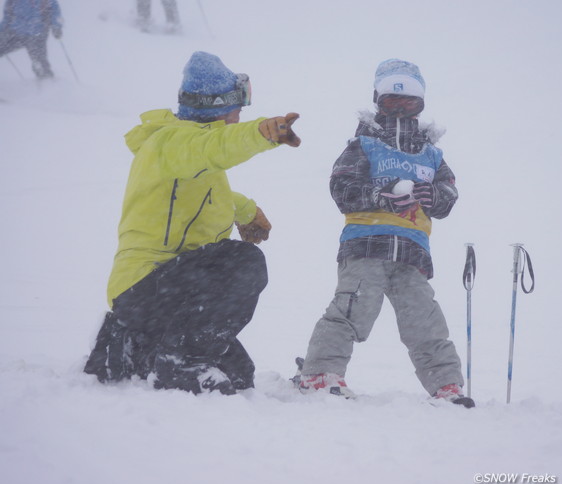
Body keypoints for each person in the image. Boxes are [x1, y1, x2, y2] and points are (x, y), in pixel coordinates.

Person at [84, 51, 301, 395]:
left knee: (240, 374)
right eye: (239, 103)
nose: (241, 111)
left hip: (168, 293)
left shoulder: (189, 156)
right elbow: (213, 148)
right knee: (243, 261)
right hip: (146, 283)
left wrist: (246, 211)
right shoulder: (170, 142)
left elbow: (212, 190)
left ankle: (133, 347)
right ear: (218, 106)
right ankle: (179, 361)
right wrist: (260, 132)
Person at [296, 59, 474, 408]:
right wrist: (380, 196)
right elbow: (341, 188)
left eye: (409, 102)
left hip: (411, 251)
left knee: (425, 320)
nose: (399, 109)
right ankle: (321, 373)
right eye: (391, 101)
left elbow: (449, 196)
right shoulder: (363, 144)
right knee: (352, 308)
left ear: (420, 104)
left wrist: (434, 196)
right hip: (365, 243)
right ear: (377, 100)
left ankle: (447, 386)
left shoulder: (431, 153)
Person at [0, 0, 62, 79]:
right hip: (16, 33)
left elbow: (55, 11)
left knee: (39, 62)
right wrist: (1, 31)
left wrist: (56, 26)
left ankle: (47, 83)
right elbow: (7, 16)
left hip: (37, 34)